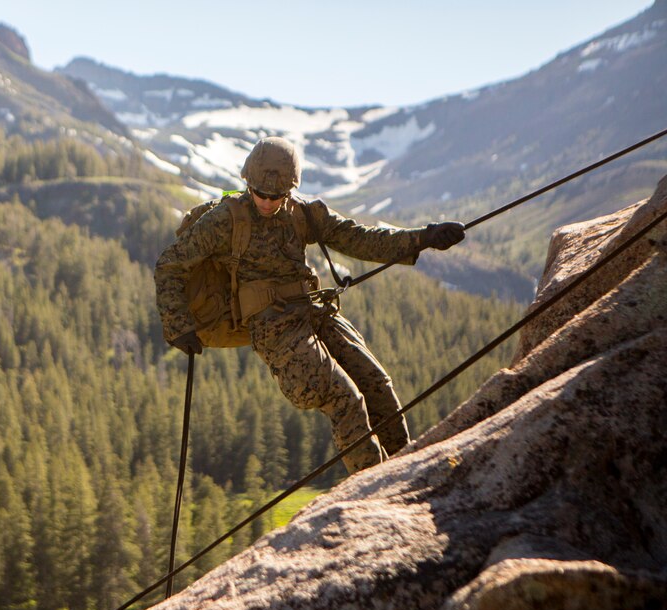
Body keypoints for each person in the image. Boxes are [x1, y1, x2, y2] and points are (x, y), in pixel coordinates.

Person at [154, 137, 464, 474]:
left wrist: (423, 238)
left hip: (312, 311)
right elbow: (171, 265)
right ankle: (379, 489)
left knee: (377, 385)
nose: (268, 202)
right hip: (272, 327)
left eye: (277, 196)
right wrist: (178, 325)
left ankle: (411, 472)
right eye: (260, 193)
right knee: (345, 400)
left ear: (289, 190)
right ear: (247, 183)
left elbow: (357, 237)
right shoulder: (224, 220)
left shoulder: (303, 213)